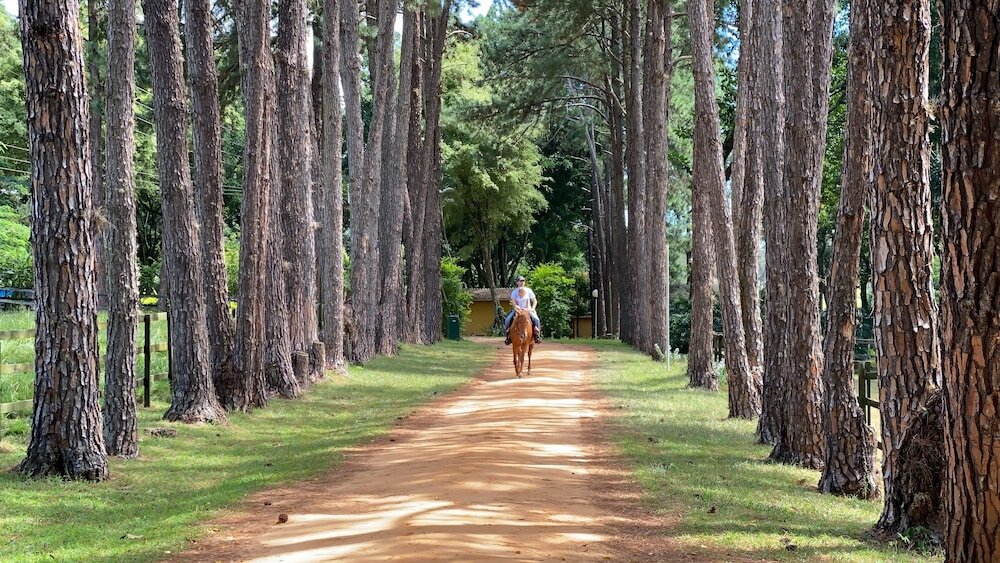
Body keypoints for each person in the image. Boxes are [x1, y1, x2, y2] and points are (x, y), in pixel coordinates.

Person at [504, 276, 542, 345]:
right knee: (507, 319)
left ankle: (537, 335)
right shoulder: (514, 292)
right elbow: (513, 302)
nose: (522, 282)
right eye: (520, 281)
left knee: (536, 319)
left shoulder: (529, 290)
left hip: (528, 310)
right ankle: (508, 336)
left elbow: (534, 301)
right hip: (518, 311)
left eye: (523, 281)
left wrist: (533, 308)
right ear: (517, 282)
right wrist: (516, 307)